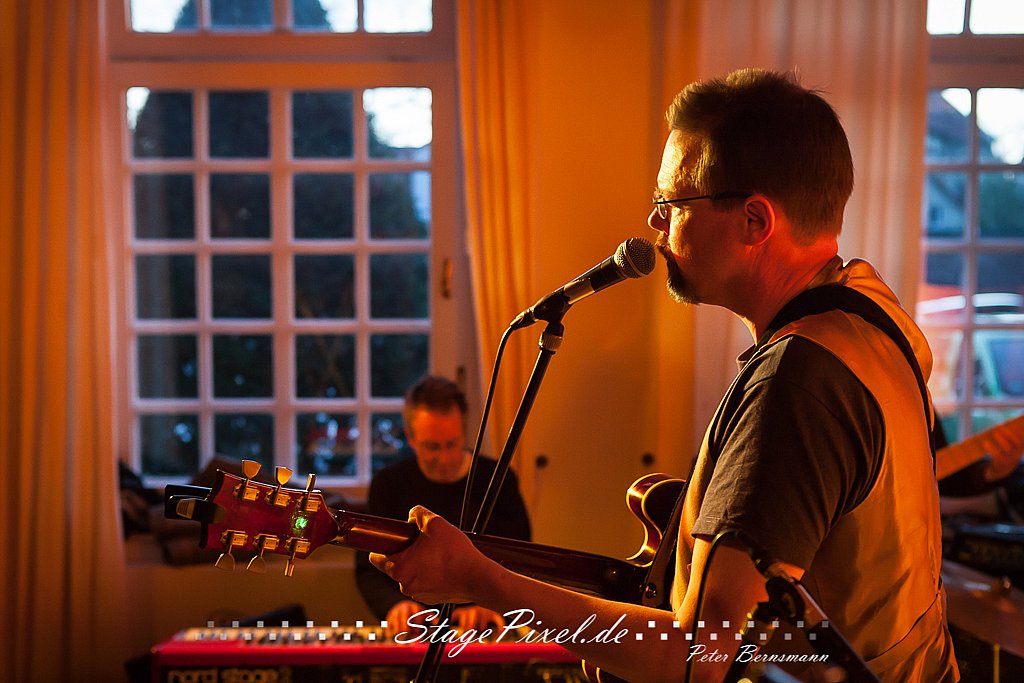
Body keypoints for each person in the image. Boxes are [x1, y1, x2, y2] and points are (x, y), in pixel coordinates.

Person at [368, 69, 959, 682]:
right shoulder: (873, 327)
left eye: (672, 203)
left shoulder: (796, 385)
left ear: (754, 222)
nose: (654, 224)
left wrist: (479, 580)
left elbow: (698, 659)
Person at [354, 374, 531, 637]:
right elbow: (369, 569)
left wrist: (491, 605)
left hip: (486, 629)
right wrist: (395, 606)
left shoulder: (498, 479)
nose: (445, 458)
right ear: (410, 438)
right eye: (432, 447)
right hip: (415, 630)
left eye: (452, 444)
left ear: (464, 433)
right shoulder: (388, 484)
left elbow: (522, 565)